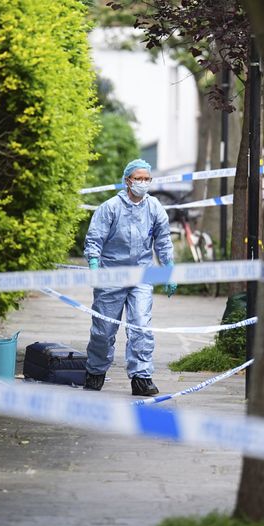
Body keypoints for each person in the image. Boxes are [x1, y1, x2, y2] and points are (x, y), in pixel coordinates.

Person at [83, 159, 176, 396]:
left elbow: (163, 242)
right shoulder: (110, 208)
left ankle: (141, 378)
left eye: (147, 179)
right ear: (127, 181)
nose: (143, 183)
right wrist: (94, 263)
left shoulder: (154, 208)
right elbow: (94, 239)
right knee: (103, 330)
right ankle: (95, 372)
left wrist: (168, 270)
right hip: (111, 276)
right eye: (138, 178)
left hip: (141, 277)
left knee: (141, 328)